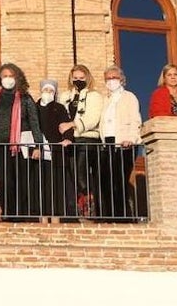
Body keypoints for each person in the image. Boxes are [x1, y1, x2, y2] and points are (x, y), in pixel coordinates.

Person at [0, 63, 42, 219]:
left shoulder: (24, 96)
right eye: (5, 76)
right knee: (6, 181)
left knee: (21, 180)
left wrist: (37, 145)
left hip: (20, 145)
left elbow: (34, 122)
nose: (8, 79)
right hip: (0, 145)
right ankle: (9, 212)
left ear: (17, 78)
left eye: (11, 76)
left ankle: (22, 214)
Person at [57, 64, 103, 217]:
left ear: (87, 78)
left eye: (81, 78)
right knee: (71, 174)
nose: (78, 80)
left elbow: (93, 118)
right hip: (70, 141)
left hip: (87, 140)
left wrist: (72, 125)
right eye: (75, 78)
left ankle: (90, 205)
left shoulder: (94, 95)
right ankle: (78, 207)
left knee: (81, 175)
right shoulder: (65, 96)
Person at [99, 65, 143, 219]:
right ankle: (110, 216)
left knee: (120, 180)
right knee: (107, 181)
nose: (111, 81)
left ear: (121, 79)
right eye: (108, 78)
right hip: (108, 143)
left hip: (125, 143)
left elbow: (135, 120)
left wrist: (131, 138)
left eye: (114, 77)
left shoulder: (129, 97)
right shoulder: (105, 100)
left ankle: (123, 216)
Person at [35, 79, 76, 220]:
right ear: (41, 91)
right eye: (46, 90)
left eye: (51, 91)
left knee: (56, 184)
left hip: (56, 151)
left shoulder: (59, 108)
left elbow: (66, 125)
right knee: (40, 184)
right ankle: (42, 217)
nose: (48, 93)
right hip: (39, 152)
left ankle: (57, 217)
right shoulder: (34, 108)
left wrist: (67, 138)